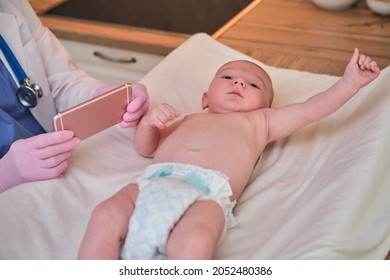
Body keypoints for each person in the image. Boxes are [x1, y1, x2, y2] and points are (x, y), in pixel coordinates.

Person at [78, 48, 380, 260]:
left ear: (266, 106)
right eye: (228, 77)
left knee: (194, 239)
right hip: (152, 183)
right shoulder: (188, 119)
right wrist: (150, 123)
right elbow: (146, 148)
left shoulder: (259, 122)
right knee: (105, 215)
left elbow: (310, 110)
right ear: (206, 98)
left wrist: (349, 83)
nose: (238, 83)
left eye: (253, 85)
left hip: (207, 194)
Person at [0, 0, 149, 192]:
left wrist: (100, 95)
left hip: (60, 165)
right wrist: (4, 175)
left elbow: (58, 80)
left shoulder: (11, 4)